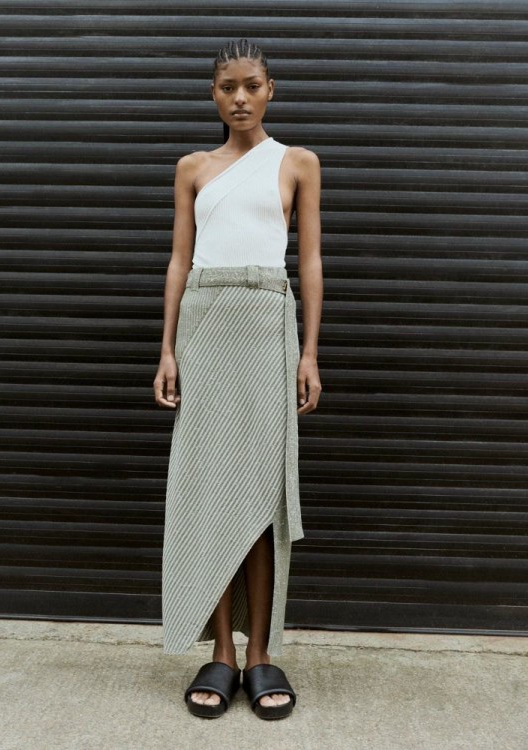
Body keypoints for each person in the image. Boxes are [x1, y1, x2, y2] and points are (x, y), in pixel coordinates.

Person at [153, 38, 322, 720]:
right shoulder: (193, 168)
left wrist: (309, 353)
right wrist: (167, 349)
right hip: (205, 323)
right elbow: (178, 260)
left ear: (271, 89)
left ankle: (260, 653)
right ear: (214, 95)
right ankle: (221, 651)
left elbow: (309, 261)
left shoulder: (297, 162)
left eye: (252, 85)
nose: (241, 98)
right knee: (210, 493)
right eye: (228, 87)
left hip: (265, 323)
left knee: (259, 499)